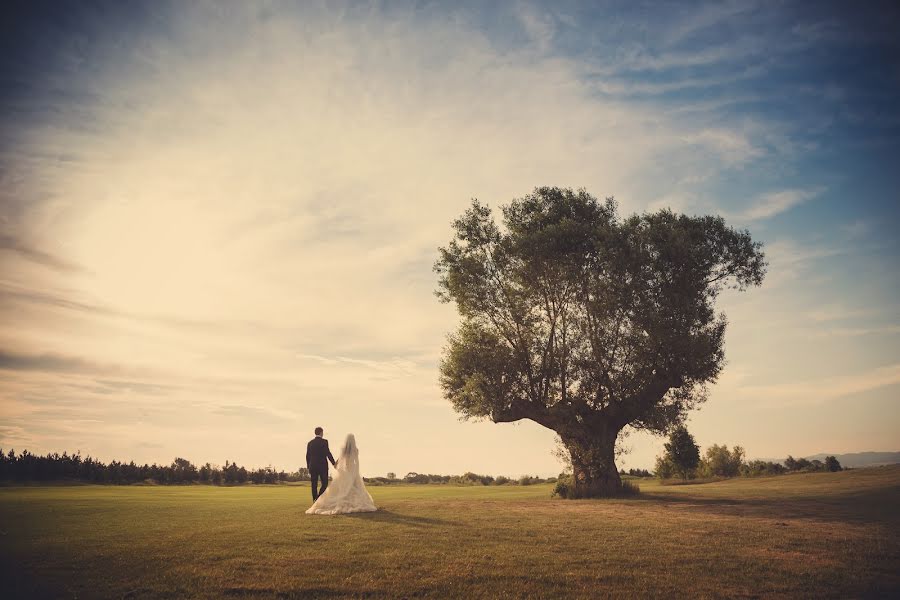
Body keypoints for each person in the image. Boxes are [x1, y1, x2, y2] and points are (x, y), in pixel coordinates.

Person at [306, 433, 377, 515]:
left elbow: (341, 459)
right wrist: (356, 471)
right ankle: (317, 498)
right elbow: (356, 462)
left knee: (340, 487)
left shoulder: (343, 449)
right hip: (352, 469)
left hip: (345, 470)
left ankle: (316, 499)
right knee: (354, 487)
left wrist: (335, 464)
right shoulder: (355, 450)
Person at [306, 426, 336, 502]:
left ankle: (315, 500)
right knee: (325, 484)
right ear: (321, 432)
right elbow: (328, 453)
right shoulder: (324, 442)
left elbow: (307, 456)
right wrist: (334, 463)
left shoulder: (310, 443)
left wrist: (308, 467)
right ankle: (318, 498)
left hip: (313, 466)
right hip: (323, 466)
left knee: (314, 485)